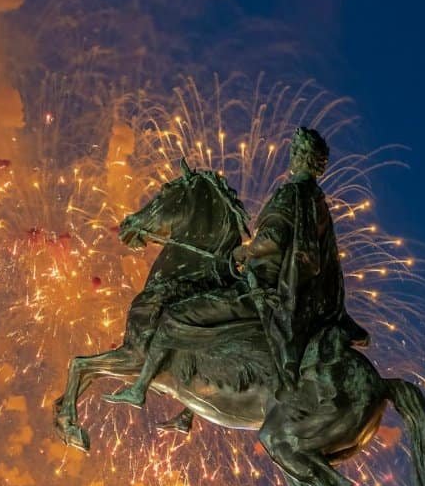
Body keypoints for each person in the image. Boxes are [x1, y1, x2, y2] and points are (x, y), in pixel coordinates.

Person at [103, 127, 369, 409]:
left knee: (174, 315)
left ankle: (140, 387)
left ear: (302, 158)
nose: (291, 157)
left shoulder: (293, 193)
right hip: (290, 293)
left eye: (294, 152)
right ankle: (187, 408)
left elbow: (273, 238)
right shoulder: (318, 203)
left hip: (262, 288)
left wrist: (243, 251)